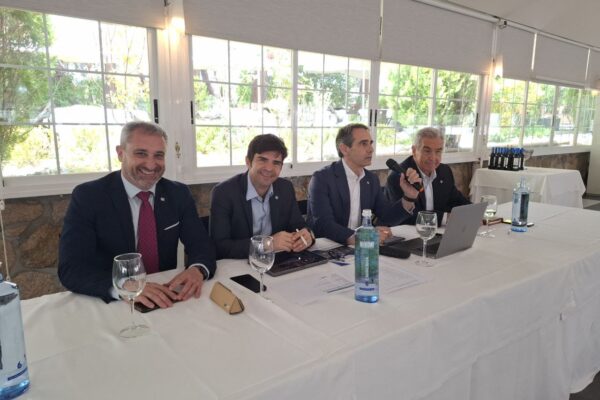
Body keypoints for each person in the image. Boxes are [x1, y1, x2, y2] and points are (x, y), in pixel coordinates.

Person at [59, 121, 216, 309]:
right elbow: (71, 268)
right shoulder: (89, 196)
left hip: (165, 298)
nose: (151, 164)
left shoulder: (178, 193)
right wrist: (125, 287)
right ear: (120, 153)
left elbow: (200, 243)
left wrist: (197, 269)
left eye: (158, 155)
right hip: (112, 303)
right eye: (141, 153)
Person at [307, 123, 420, 245]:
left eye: (370, 143)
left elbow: (387, 216)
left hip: (361, 247)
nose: (371, 149)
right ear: (344, 149)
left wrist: (409, 197)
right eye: (363, 143)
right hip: (327, 247)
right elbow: (324, 224)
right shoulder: (322, 178)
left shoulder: (371, 179)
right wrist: (358, 237)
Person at [210, 134, 314, 259]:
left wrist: (308, 236)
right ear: (248, 162)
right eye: (262, 160)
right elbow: (219, 246)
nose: (269, 168)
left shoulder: (285, 188)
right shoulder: (224, 192)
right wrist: (267, 244)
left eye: (276, 163)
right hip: (240, 264)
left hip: (278, 261)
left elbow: (299, 226)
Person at [384, 127, 470, 225]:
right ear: (414, 151)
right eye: (427, 151)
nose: (433, 157)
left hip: (438, 231)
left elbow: (457, 200)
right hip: (408, 232)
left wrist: (476, 213)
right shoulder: (400, 176)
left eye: (438, 151)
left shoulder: (444, 171)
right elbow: (407, 217)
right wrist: (445, 218)